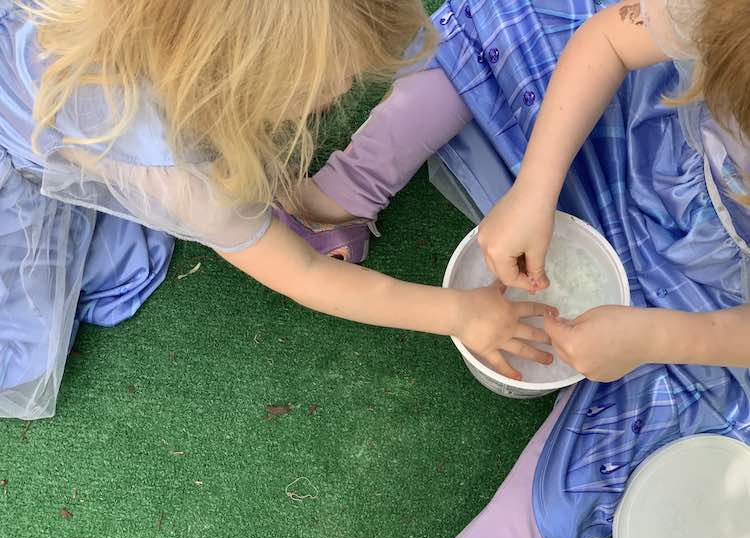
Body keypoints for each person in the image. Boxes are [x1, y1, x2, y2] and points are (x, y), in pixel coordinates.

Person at [297, 0, 750, 538]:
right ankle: (349, 191)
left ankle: (518, 537)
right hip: (655, 148)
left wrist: (656, 337)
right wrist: (536, 185)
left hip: (721, 303)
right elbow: (607, 40)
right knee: (512, 20)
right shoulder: (722, 13)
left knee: (672, 413)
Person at [0, 0, 556, 420]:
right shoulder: (185, 182)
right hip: (19, 151)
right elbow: (305, 273)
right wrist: (463, 313)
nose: (347, 87)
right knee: (58, 303)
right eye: (334, 82)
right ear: (236, 84)